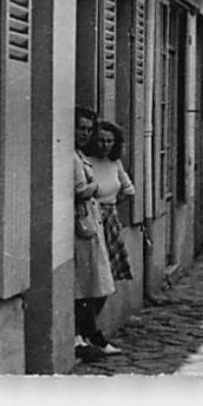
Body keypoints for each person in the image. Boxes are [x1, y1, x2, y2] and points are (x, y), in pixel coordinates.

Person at [73, 108, 116, 359]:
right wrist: (96, 185)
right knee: (89, 285)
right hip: (82, 227)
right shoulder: (72, 157)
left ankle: (88, 334)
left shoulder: (79, 155)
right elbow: (80, 190)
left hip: (90, 224)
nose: (85, 134)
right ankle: (83, 336)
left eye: (89, 130)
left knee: (96, 285)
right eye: (81, 128)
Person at [91, 120, 136, 291]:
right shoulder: (87, 161)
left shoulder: (114, 163)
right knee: (96, 276)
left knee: (109, 278)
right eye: (101, 140)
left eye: (110, 141)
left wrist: (112, 204)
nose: (105, 145)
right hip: (92, 220)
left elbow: (129, 189)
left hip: (110, 221)